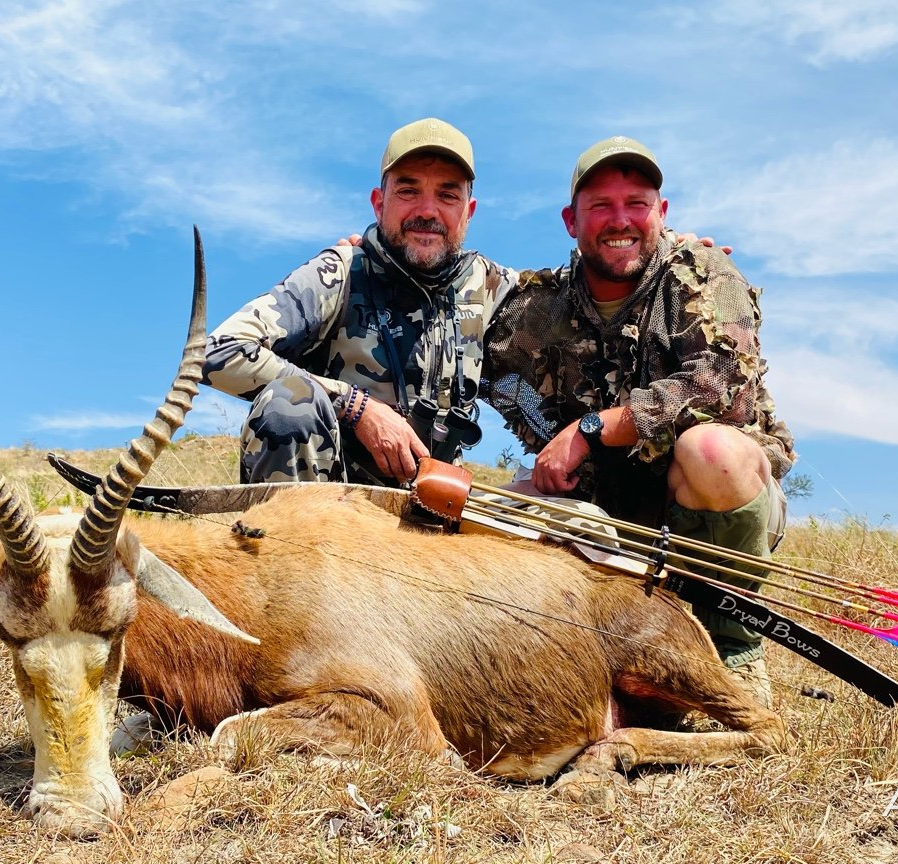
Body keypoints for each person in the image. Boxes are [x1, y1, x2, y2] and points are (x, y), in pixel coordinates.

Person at [482, 136, 796, 705]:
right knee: (502, 514)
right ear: (570, 221)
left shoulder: (704, 271)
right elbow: (495, 372)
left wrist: (587, 430)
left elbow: (723, 386)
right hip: (610, 507)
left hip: (707, 494)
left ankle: (734, 646)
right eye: (599, 205)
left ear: (661, 212)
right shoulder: (535, 309)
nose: (619, 220)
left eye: (636, 202)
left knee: (710, 451)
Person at [203, 118, 513, 486]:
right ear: (378, 204)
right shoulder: (340, 271)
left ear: (469, 212)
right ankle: (289, 541)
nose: (428, 211)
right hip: (333, 496)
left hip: (437, 498)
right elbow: (218, 352)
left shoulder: (492, 285)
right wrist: (355, 407)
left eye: (447, 195)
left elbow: (573, 294)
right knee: (289, 402)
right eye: (408, 191)